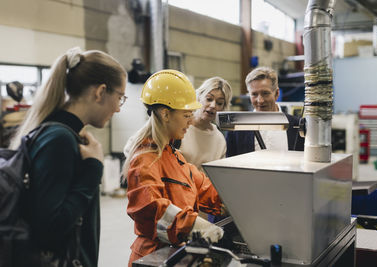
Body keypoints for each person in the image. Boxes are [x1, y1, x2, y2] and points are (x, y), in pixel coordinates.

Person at [9, 47, 127, 267]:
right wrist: (93, 170)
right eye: (120, 97)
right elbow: (49, 228)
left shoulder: (64, 135)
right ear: (100, 92)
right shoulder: (58, 140)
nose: (119, 109)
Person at [122, 69, 224, 265]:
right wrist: (194, 225)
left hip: (175, 254)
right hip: (152, 257)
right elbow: (151, 211)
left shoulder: (175, 157)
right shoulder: (145, 159)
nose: (190, 121)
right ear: (166, 114)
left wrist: (234, 202)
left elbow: (205, 188)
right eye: (186, 115)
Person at [226, 66, 304, 157]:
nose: (260, 100)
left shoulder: (297, 126)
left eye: (265, 93)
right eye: (254, 94)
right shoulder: (237, 130)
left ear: (277, 93)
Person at [178, 77, 232, 171]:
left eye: (219, 103)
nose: (213, 105)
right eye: (209, 99)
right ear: (199, 97)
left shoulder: (219, 139)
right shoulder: (179, 127)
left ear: (223, 108)